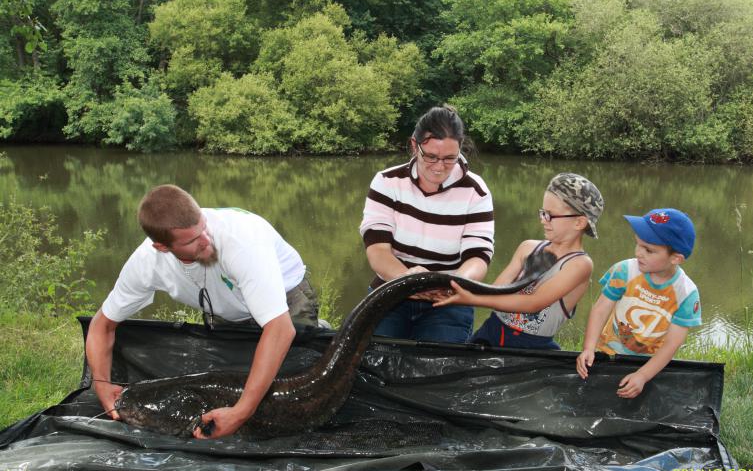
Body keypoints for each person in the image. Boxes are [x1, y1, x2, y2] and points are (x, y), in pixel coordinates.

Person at [86, 184, 321, 439]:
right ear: (163, 248)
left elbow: (280, 329)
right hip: (225, 307)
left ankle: (320, 333)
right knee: (233, 378)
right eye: (192, 240)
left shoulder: (241, 241)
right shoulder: (147, 263)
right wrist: (101, 383)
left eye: (203, 228)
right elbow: (103, 325)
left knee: (297, 380)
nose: (206, 241)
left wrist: (242, 412)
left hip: (286, 299)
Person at [359, 105, 494, 343]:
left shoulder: (476, 191)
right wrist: (410, 281)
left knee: (438, 369)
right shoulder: (386, 182)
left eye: (449, 158)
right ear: (414, 145)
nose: (439, 166)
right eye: (430, 156)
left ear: (460, 150)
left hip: (449, 299)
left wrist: (451, 285)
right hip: (392, 290)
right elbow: (378, 251)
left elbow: (478, 256)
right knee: (375, 360)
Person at [435, 173, 604, 350]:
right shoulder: (528, 247)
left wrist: (472, 300)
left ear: (579, 222)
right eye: (542, 213)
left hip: (531, 347)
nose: (542, 220)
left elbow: (534, 303)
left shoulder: (580, 265)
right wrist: (452, 290)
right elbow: (495, 290)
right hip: (491, 332)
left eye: (550, 215)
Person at [576, 208, 701, 398]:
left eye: (649, 250)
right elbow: (601, 309)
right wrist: (588, 348)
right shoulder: (624, 270)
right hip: (608, 353)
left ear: (676, 258)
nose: (638, 253)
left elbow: (672, 344)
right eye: (638, 244)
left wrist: (643, 375)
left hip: (651, 365)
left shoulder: (686, 293)